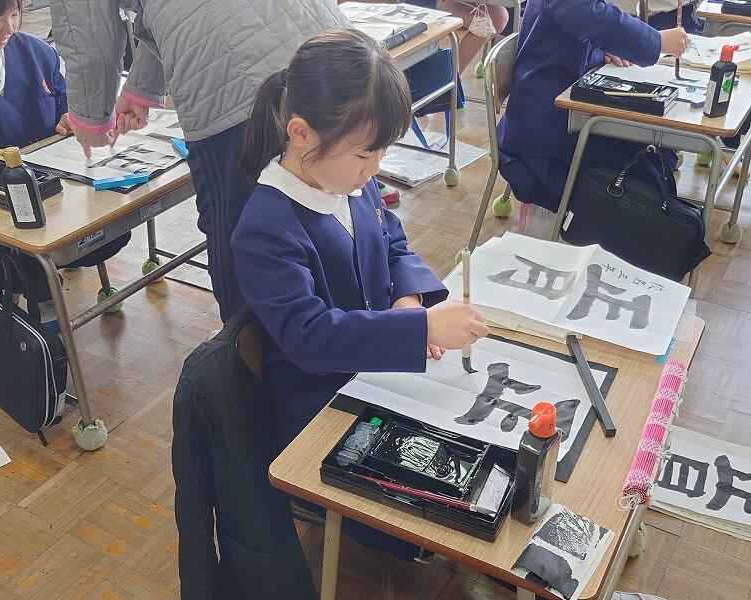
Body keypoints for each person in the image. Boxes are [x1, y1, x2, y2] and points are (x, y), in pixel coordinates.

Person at [231, 28, 489, 559]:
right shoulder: (266, 228)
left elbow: (391, 240)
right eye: (366, 155)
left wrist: (407, 302)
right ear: (301, 134)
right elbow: (309, 337)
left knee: (487, 468)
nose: (375, 171)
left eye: (381, 153)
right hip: (322, 407)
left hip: (378, 375)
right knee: (448, 511)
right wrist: (419, 328)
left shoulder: (348, 178)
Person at [49, 0, 349, 323]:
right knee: (334, 218)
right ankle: (346, 333)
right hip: (326, 44)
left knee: (247, 253)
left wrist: (91, 120)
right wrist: (139, 90)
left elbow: (85, 32)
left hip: (238, 84)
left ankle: (259, 350)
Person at [497, 0, 690, 237]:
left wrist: (603, 47)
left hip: (562, 112)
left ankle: (623, 245)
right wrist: (656, 41)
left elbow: (584, 20)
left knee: (655, 153)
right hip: (545, 131)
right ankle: (574, 236)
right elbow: (587, 14)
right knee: (644, 171)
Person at [0, 0, 129, 329]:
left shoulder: (37, 53)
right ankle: (39, 303)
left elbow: (63, 97)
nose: (8, 28)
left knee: (111, 226)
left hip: (55, 189)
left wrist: (66, 116)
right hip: (8, 203)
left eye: (14, 14)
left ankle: (42, 296)